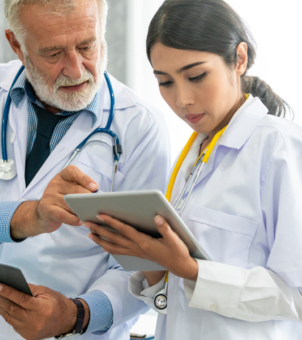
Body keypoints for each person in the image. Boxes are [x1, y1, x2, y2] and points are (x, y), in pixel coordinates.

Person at [0, 0, 171, 339]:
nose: (75, 68)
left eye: (87, 45)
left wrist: (74, 314)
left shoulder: (141, 128)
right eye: (53, 54)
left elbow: (144, 270)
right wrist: (29, 217)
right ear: (16, 45)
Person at [85, 0, 302, 339]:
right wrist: (149, 260)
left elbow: (297, 295)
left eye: (196, 75)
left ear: (239, 59)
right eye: (165, 82)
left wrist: (191, 270)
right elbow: (180, 302)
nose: (182, 99)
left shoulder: (280, 148)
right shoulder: (192, 157)